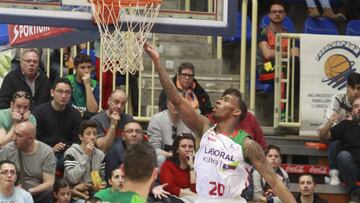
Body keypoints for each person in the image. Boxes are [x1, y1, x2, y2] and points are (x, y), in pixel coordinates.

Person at [144, 43, 296, 203]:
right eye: (220, 98)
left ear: (236, 112)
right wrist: (157, 63)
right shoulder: (204, 127)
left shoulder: (247, 144)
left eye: (225, 100)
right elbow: (176, 100)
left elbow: (274, 182)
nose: (218, 101)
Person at [318, 72, 360, 186]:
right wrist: (347, 122)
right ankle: (334, 172)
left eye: (359, 88)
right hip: (334, 131)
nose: (356, 92)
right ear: (347, 87)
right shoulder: (338, 98)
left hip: (352, 136)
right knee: (337, 135)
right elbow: (333, 122)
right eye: (353, 88)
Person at [33, 78, 82, 172]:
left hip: (68, 153)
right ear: (52, 92)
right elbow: (35, 140)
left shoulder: (75, 114)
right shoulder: (39, 112)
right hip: (45, 152)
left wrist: (66, 148)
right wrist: (51, 149)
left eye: (67, 92)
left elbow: (77, 140)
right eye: (60, 91)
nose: (64, 96)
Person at [0, 121, 56, 203]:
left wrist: (27, 192)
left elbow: (49, 183)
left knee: (48, 194)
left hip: (36, 193)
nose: (13, 138)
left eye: (19, 135)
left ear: (31, 138)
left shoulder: (46, 152)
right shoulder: (8, 149)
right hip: (11, 191)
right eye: (14, 133)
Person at [320, 97, 360, 202]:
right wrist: (328, 123)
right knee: (343, 156)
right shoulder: (346, 125)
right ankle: (354, 193)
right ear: (352, 111)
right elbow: (323, 137)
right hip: (350, 169)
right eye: (356, 106)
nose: (359, 109)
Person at [148, 91, 194, 165]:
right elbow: (153, 149)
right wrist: (172, 155)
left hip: (185, 156)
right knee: (159, 158)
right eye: (173, 102)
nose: (176, 105)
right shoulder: (157, 119)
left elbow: (193, 147)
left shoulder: (189, 120)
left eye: (178, 102)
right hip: (164, 157)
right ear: (167, 104)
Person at [63, 120, 105, 201]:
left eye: (95, 134)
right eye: (88, 134)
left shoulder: (100, 155)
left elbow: (103, 178)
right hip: (75, 196)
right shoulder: (71, 152)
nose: (92, 137)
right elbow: (72, 178)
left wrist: (101, 184)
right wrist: (86, 155)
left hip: (95, 195)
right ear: (81, 137)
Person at [90, 88, 134, 153]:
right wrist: (113, 125)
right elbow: (103, 148)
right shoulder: (96, 120)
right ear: (109, 101)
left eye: (123, 104)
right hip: (104, 159)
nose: (119, 106)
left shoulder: (129, 120)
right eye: (116, 102)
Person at [160, 133, 197, 201]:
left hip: (192, 199)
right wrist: (193, 195)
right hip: (174, 199)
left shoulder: (197, 165)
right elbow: (169, 188)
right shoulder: (168, 165)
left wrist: (191, 166)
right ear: (177, 149)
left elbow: (195, 189)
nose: (187, 149)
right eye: (183, 146)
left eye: (190, 146)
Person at [66, 53, 99, 118]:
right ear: (75, 68)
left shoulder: (94, 84)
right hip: (70, 117)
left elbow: (93, 110)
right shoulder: (68, 81)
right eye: (82, 67)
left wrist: (87, 85)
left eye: (89, 67)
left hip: (87, 118)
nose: (86, 71)